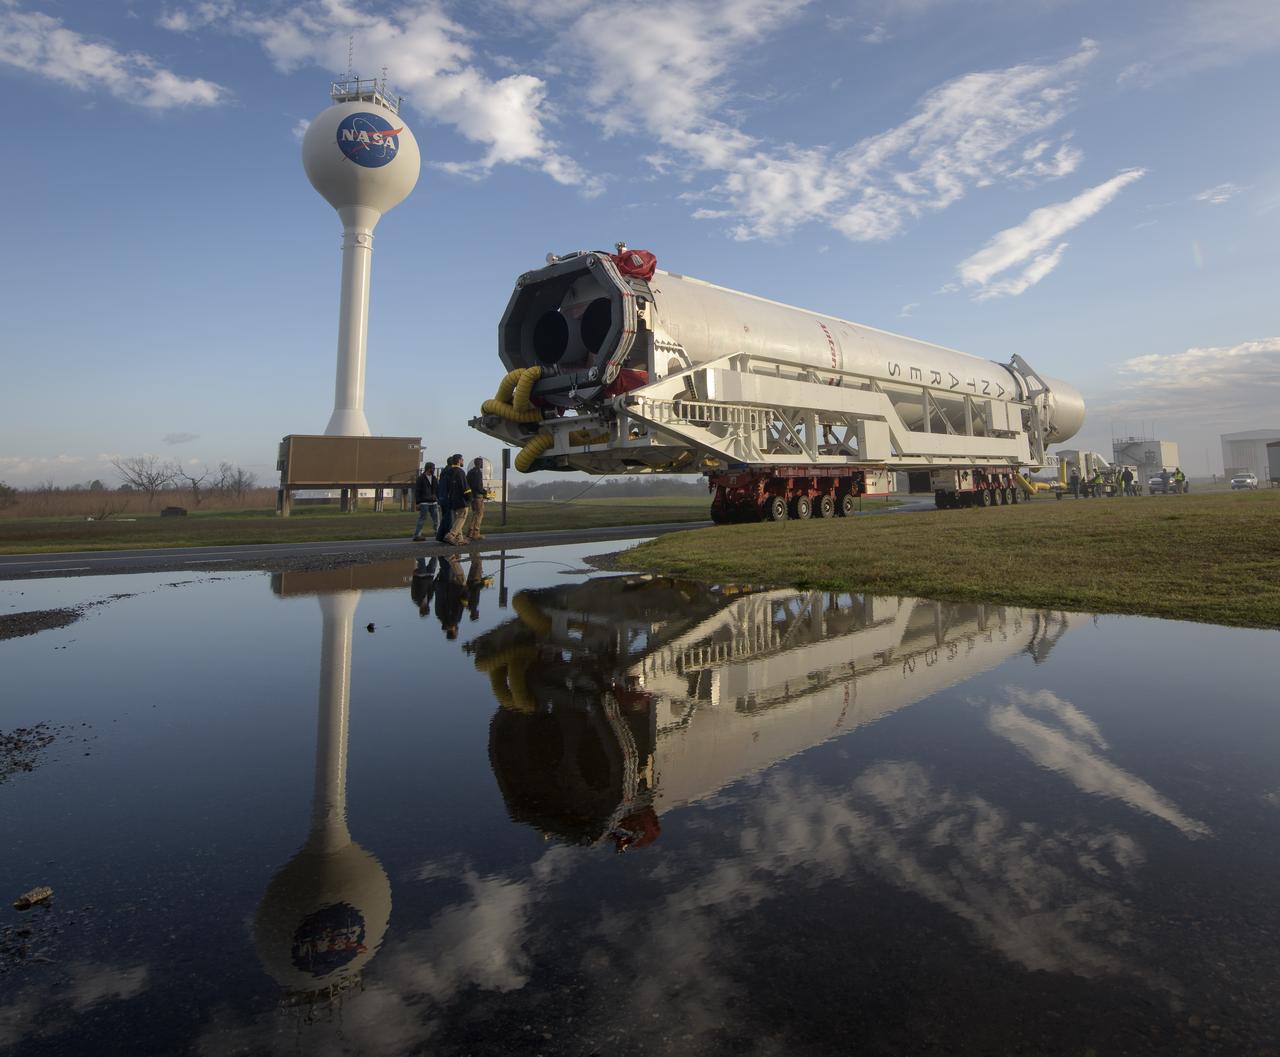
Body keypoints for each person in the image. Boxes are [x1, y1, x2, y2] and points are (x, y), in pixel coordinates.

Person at [440, 454, 473, 545]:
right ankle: (451, 535)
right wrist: (469, 497)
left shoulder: (448, 472)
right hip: (461, 500)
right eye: (462, 459)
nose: (463, 461)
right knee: (462, 518)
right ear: (458, 460)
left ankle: (460, 539)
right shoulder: (460, 472)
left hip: (452, 499)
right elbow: (464, 486)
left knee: (457, 519)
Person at [434, 554, 466, 638]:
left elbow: (460, 605)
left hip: (452, 589)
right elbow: (438, 602)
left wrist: (465, 594)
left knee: (455, 571)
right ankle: (442, 553)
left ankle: (451, 554)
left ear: (454, 631)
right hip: (441, 587)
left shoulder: (454, 620)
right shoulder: (440, 617)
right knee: (445, 568)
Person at [411, 462, 439, 541]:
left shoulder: (434, 478)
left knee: (436, 519)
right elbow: (417, 491)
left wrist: (436, 497)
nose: (434, 470)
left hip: (433, 502)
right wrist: (417, 503)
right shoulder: (421, 478)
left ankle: (438, 533)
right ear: (428, 468)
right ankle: (417, 535)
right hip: (424, 502)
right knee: (422, 519)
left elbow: (437, 488)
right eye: (433, 468)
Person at [464, 457, 487, 541]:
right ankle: (475, 533)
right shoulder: (478, 473)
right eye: (481, 463)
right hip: (477, 496)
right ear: (479, 463)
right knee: (479, 514)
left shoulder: (470, 472)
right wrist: (484, 492)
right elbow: (478, 485)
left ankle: (470, 532)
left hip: (472, 496)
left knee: (474, 514)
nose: (482, 465)